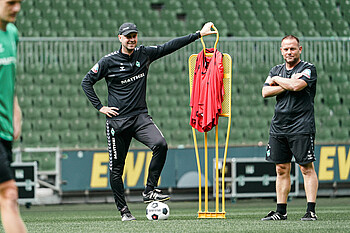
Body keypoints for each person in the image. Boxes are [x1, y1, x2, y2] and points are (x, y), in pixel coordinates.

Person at [82, 21, 216, 221]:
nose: (131, 39)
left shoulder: (144, 54)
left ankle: (149, 190)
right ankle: (124, 211)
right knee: (117, 169)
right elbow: (87, 82)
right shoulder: (108, 61)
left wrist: (198, 35)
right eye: (128, 36)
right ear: (120, 38)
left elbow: (169, 46)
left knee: (160, 144)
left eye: (134, 35)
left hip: (140, 117)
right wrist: (100, 107)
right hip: (117, 122)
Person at [261, 35, 318, 221]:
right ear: (281, 50)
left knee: (306, 168)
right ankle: (281, 211)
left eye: (292, 49)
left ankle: (310, 211)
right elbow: (265, 91)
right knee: (281, 169)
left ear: (300, 49)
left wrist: (278, 81)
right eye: (286, 49)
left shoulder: (308, 69)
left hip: (301, 125)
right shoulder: (276, 69)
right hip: (279, 126)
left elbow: (296, 85)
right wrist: (283, 80)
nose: (289, 52)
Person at [0, 0, 27, 232]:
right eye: (10, 2)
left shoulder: (12, 33)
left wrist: (15, 109)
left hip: (5, 128)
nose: (16, 8)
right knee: (8, 193)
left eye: (19, 2)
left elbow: (9, 79)